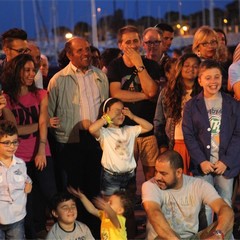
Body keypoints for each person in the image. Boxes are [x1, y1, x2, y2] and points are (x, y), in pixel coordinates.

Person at [48, 36, 109, 238]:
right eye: (80, 50)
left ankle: (92, 232)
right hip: (69, 141)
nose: (86, 54)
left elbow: (106, 108)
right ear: (69, 54)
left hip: (95, 138)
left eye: (88, 49)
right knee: (73, 188)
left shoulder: (100, 76)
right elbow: (49, 113)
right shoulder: (58, 79)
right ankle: (73, 232)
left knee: (93, 187)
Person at [1, 54, 57, 239]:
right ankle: (33, 234)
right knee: (26, 199)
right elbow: (14, 129)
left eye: (34, 69)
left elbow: (43, 125)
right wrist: (44, 123)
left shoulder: (40, 94)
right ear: (16, 72)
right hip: (18, 155)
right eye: (27, 70)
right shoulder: (7, 98)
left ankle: (57, 231)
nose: (32, 73)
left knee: (49, 193)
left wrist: (41, 149)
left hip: (41, 150)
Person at [182, 59, 240, 227]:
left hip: (225, 166)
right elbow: (189, 135)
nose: (213, 82)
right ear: (200, 80)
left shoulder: (233, 104)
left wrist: (226, 161)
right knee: (205, 206)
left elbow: (238, 134)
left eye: (217, 77)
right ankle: (205, 236)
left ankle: (225, 235)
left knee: (225, 203)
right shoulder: (191, 106)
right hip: (203, 165)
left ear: (222, 79)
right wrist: (201, 161)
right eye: (208, 78)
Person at [107, 25, 160, 183]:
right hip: (125, 129)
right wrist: (145, 95)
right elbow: (116, 93)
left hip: (148, 128)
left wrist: (139, 64)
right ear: (120, 45)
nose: (132, 45)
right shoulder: (115, 66)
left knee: (152, 175)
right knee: (127, 174)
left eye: (135, 41)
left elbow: (153, 91)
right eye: (127, 42)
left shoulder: (151, 65)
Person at [142, 150, 234, 240]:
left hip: (192, 237)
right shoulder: (150, 185)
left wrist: (218, 234)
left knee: (225, 226)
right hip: (165, 237)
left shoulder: (198, 185)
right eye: (156, 171)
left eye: (163, 173)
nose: (157, 177)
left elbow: (225, 209)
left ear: (178, 172)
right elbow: (154, 212)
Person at [89, 98, 153, 198]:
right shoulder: (104, 132)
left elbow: (149, 127)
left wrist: (132, 116)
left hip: (129, 176)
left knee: (128, 207)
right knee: (111, 208)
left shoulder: (129, 130)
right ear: (106, 112)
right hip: (111, 177)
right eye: (116, 111)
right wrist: (107, 117)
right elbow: (92, 129)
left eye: (122, 110)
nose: (120, 114)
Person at [154, 53, 201, 175]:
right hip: (176, 145)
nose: (191, 69)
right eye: (187, 65)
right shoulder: (167, 92)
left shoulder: (204, 92)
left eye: (195, 66)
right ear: (180, 67)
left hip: (199, 146)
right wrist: (163, 147)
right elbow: (159, 122)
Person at [0, 120, 32, 240]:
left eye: (15, 142)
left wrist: (29, 184)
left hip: (16, 218)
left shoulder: (20, 163)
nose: (12, 146)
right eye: (6, 143)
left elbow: (26, 179)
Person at [192, 26, 229, 93]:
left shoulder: (220, 64)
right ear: (197, 47)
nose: (210, 46)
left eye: (213, 42)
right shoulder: (194, 66)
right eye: (205, 43)